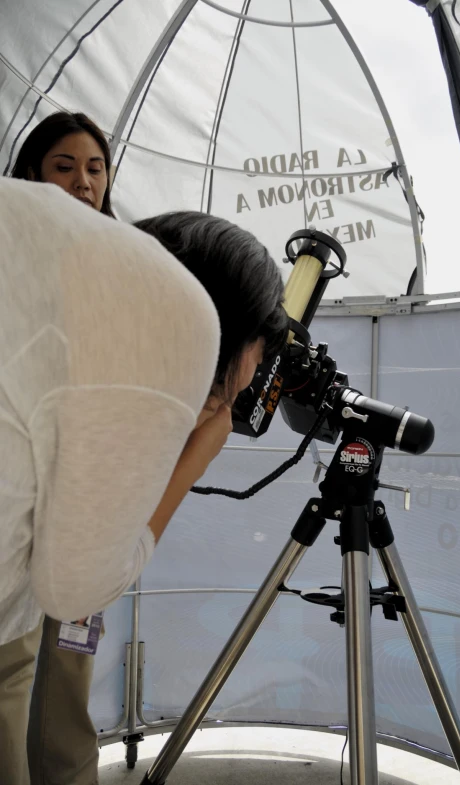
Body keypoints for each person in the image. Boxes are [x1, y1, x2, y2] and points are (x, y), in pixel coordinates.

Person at [0, 177, 287, 785]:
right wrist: (200, 452)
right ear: (236, 328)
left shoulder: (58, 247)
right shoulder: (175, 317)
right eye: (259, 356)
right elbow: (76, 592)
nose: (253, 375)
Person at [6, 111, 114, 785]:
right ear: (30, 175)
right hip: (15, 496)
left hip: (86, 503)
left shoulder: (122, 265)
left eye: (95, 167)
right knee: (11, 669)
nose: (82, 181)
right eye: (63, 165)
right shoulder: (8, 255)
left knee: (70, 665)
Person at [11, 110, 115, 216]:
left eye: (94, 170)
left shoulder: (121, 232)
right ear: (33, 176)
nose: (83, 183)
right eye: (65, 167)